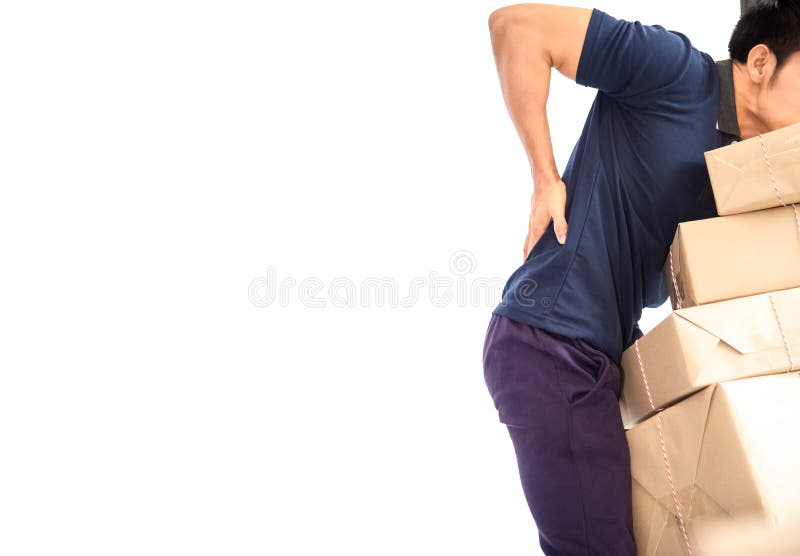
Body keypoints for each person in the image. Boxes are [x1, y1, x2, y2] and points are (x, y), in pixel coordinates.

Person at [481, 2, 800, 555]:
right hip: (552, 341)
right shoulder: (676, 73)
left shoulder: (748, 173)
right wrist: (544, 178)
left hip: (608, 356)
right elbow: (517, 28)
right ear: (760, 62)